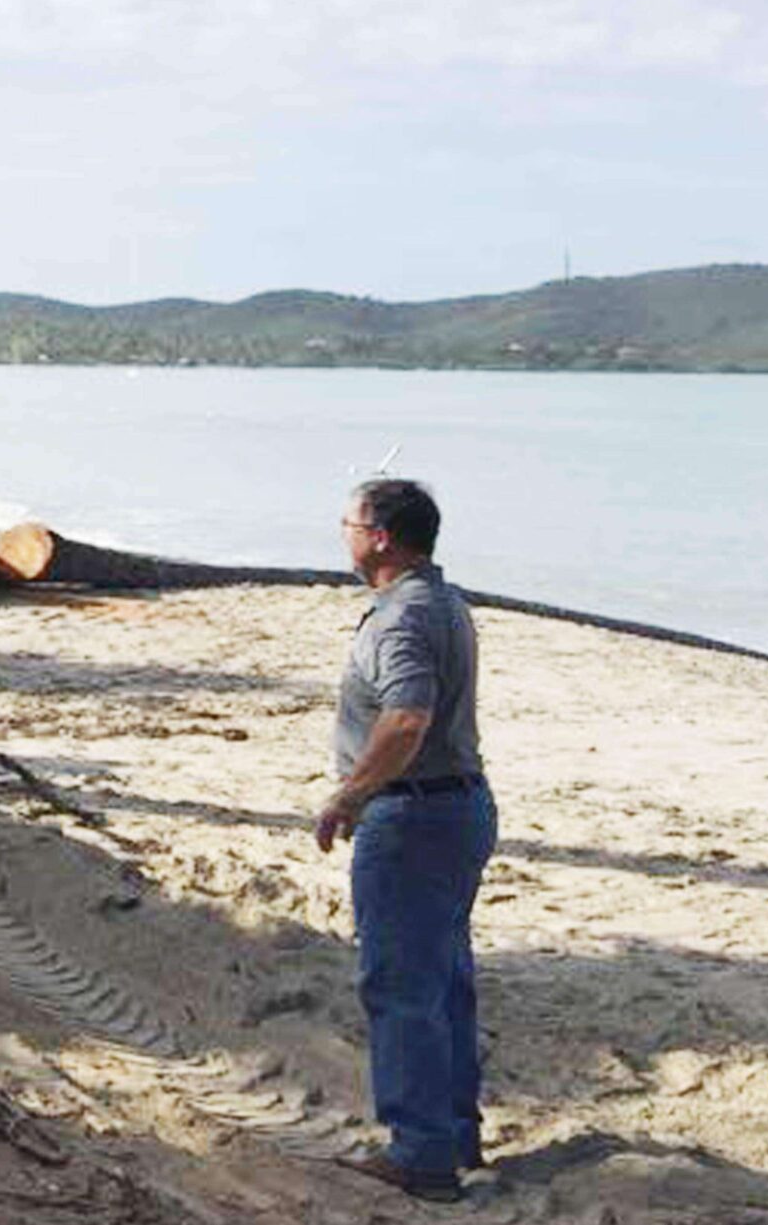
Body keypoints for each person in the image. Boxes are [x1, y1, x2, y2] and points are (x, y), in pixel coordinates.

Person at [317, 478, 496, 1204]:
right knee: (444, 978)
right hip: (457, 807)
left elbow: (406, 719)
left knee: (400, 984)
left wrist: (350, 792)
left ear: (382, 535)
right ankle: (453, 1132)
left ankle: (422, 1153)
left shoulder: (403, 616)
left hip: (415, 814)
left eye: (349, 521)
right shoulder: (443, 601)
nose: (343, 533)